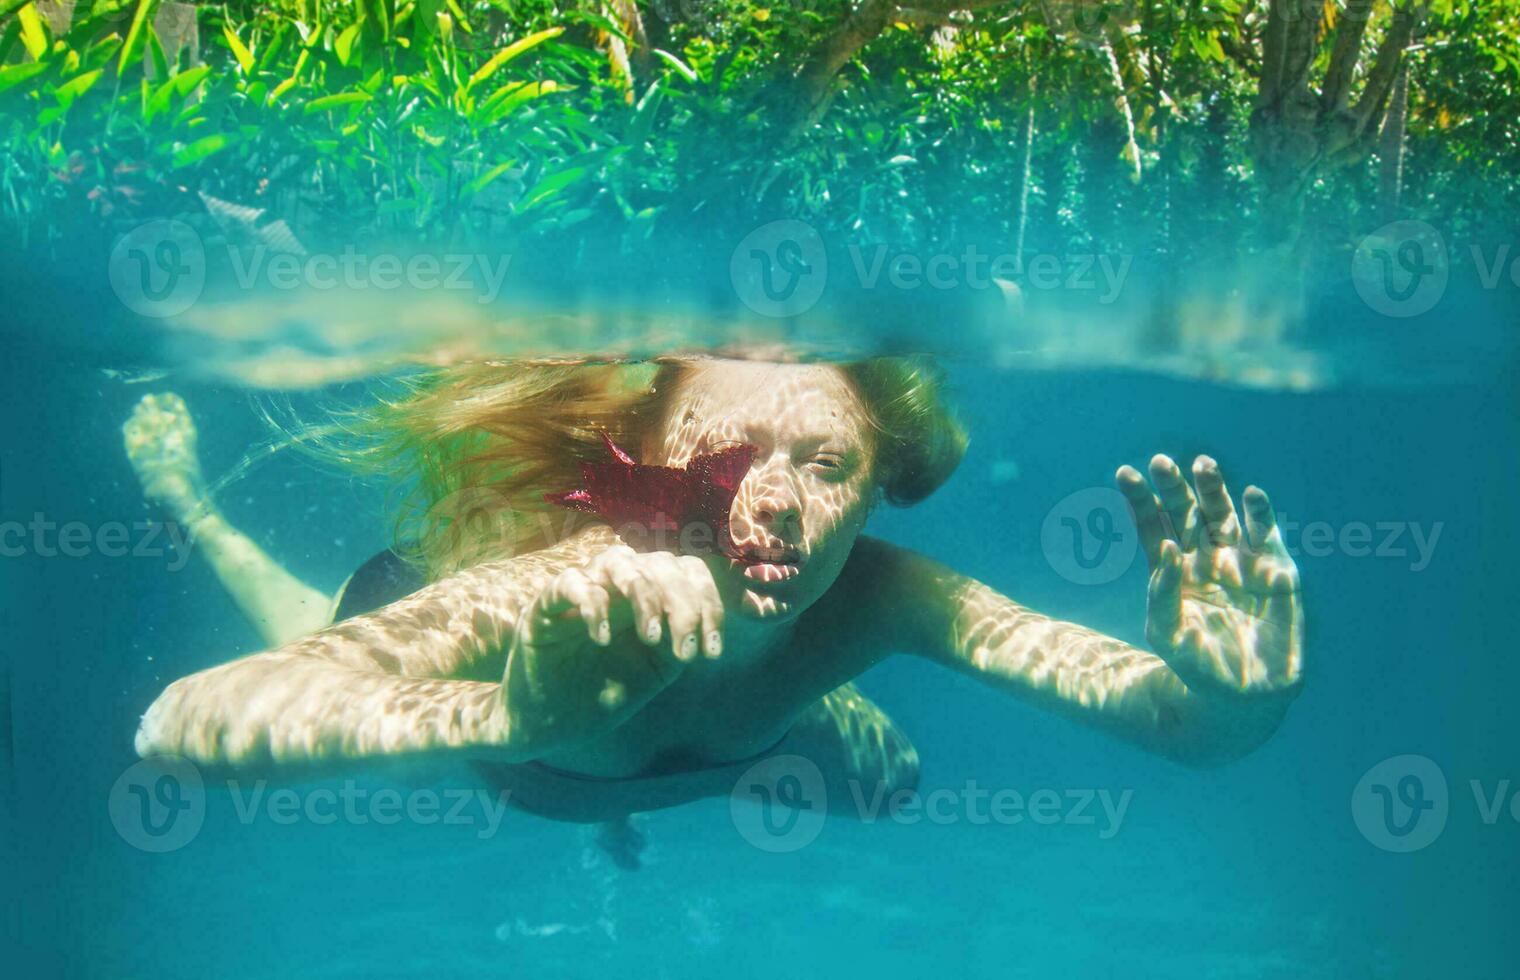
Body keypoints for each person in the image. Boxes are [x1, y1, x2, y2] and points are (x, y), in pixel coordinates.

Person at [130, 355, 1304, 840]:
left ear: (879, 484)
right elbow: (187, 718)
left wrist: (1230, 701)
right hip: (507, 740)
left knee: (884, 780)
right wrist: (498, 717)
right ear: (649, 460)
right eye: (729, 460)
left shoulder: (886, 597)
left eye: (825, 463)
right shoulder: (570, 589)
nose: (775, 506)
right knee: (301, 622)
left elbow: (1180, 726)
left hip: (719, 745)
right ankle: (189, 497)